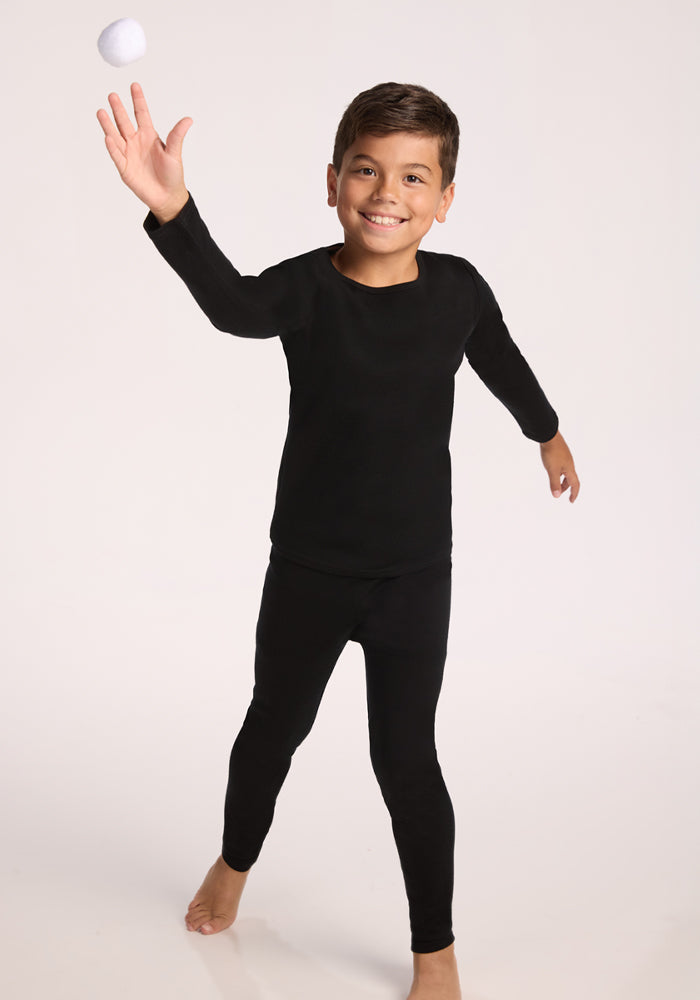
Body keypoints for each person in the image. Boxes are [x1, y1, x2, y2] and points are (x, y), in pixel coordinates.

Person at [97, 80, 579, 1000]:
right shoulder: (309, 290)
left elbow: (500, 355)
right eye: (366, 170)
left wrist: (546, 430)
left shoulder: (460, 292)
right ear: (331, 183)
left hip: (409, 578)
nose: (386, 192)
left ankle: (433, 950)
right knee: (272, 729)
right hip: (309, 570)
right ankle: (233, 864)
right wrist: (173, 211)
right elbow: (232, 305)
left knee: (406, 760)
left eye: (412, 176)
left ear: (444, 200)